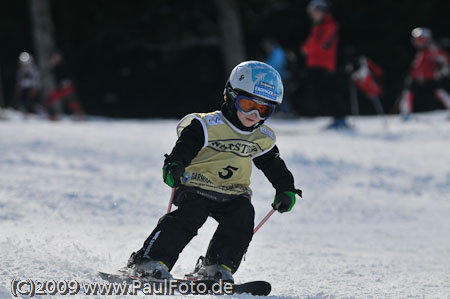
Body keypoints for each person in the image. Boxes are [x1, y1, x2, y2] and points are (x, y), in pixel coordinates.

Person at [127, 61, 302, 282]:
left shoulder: (261, 137)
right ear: (229, 96)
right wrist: (175, 165)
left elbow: (273, 165)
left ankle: (216, 266)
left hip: (233, 192)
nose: (255, 115)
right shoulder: (207, 125)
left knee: (242, 217)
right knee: (190, 216)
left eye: (264, 109)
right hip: (196, 186)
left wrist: (285, 189)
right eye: (248, 104)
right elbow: (185, 147)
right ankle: (149, 261)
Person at [301, 0, 347, 128]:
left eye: (314, 12)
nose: (312, 15)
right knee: (322, 93)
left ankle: (341, 118)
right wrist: (306, 47)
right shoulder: (317, 25)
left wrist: (307, 49)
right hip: (314, 64)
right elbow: (310, 42)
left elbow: (322, 45)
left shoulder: (330, 25)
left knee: (330, 92)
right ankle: (336, 118)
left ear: (322, 11)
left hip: (325, 65)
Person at [399, 27, 450, 120]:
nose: (418, 42)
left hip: (430, 77)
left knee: (440, 93)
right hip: (416, 78)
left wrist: (442, 71)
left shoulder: (433, 49)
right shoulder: (421, 51)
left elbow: (445, 60)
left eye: (420, 39)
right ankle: (406, 115)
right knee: (407, 93)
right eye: (416, 40)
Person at [47, 50, 85, 120]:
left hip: (67, 86)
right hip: (61, 87)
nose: (55, 58)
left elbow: (68, 75)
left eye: (57, 57)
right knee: (51, 99)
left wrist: (67, 83)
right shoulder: (55, 66)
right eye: (54, 57)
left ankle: (80, 114)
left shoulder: (63, 65)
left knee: (71, 100)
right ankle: (52, 115)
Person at [262, 38, 292, 116]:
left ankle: (286, 111)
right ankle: (283, 111)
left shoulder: (277, 52)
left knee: (281, 94)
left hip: (282, 77)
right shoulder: (274, 52)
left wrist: (264, 67)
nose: (266, 48)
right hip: (279, 77)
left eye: (267, 46)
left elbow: (275, 65)